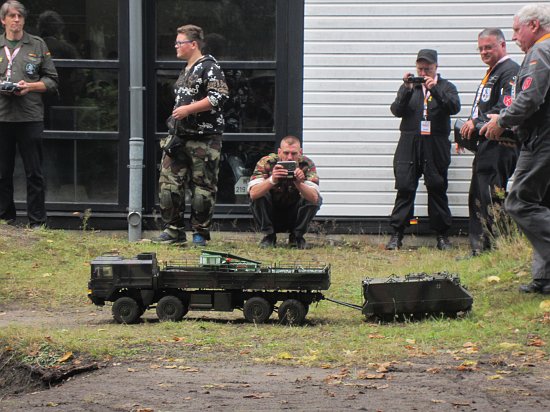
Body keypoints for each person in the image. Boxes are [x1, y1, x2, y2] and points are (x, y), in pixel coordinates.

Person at [481, 4, 550, 294]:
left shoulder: (540, 53)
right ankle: (545, 277)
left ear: (533, 25)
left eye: (516, 30)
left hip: (542, 141)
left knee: (518, 203)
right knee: (542, 204)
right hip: (540, 138)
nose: (515, 36)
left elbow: (531, 98)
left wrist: (502, 122)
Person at [153, 24, 228, 246]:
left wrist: (189, 109)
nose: (175, 46)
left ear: (193, 44)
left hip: (203, 139)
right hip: (178, 137)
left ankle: (199, 234)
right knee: (169, 184)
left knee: (202, 189)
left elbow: (219, 96)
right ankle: (173, 231)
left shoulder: (210, 67)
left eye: (179, 42)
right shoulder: (186, 69)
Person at [386, 49, 461, 250]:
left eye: (427, 68)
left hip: (435, 143)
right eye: (420, 68)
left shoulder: (447, 87)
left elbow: (454, 107)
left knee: (437, 187)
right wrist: (406, 88)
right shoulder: (411, 87)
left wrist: (435, 89)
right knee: (405, 187)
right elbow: (396, 110)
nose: (424, 72)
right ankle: (397, 234)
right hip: (409, 143)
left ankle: (442, 236)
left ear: (436, 67)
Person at [458, 28, 520, 258]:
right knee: (478, 195)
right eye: (481, 48)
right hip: (486, 144)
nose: (484, 52)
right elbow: (482, 107)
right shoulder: (492, 72)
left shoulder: (510, 71)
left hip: (500, 144)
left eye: (489, 47)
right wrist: (468, 133)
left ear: (503, 45)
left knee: (492, 196)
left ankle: (497, 247)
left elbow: (506, 108)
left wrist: (478, 122)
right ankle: (480, 247)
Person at [0, 0, 58, 228]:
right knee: (2, 172)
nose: (16, 20)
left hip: (30, 117)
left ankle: (36, 221)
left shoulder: (36, 44)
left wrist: (30, 86)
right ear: (3, 20)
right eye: (12, 16)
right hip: (2, 117)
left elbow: (52, 80)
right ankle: (6, 218)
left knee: (34, 172)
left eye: (20, 16)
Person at [247, 135, 321, 249]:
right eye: (286, 153)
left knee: (313, 195)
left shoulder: (306, 165)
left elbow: (314, 198)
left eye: (294, 153)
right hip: (271, 213)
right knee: (260, 193)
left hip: (295, 214)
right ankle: (269, 236)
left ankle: (296, 237)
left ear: (300, 152)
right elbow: (253, 194)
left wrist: (299, 183)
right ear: (279, 152)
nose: (290, 157)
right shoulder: (267, 162)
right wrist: (272, 180)